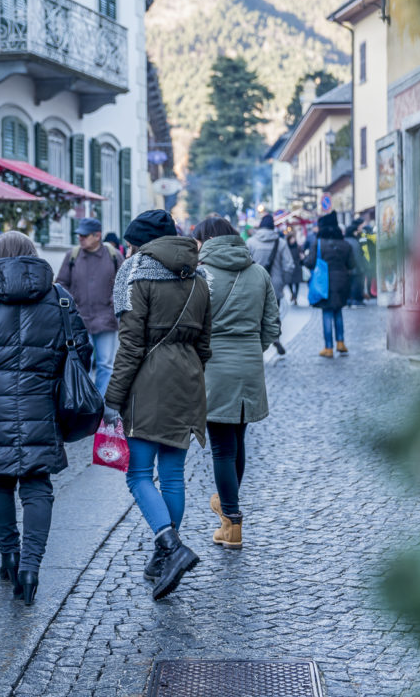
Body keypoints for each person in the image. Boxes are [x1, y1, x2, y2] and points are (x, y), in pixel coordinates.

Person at [0, 231, 92, 606]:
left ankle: (9, 555)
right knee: (37, 485)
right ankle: (30, 566)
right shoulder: (59, 297)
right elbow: (81, 352)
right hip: (40, 404)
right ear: (32, 255)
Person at [105, 209, 211, 600]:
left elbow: (130, 345)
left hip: (148, 381)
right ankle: (164, 558)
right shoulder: (199, 276)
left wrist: (112, 398)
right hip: (188, 380)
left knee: (137, 475)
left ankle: (170, 545)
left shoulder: (138, 275)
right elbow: (205, 344)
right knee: (170, 476)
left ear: (140, 243)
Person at [193, 217, 279, 550]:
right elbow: (272, 326)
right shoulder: (259, 273)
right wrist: (251, 350)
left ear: (207, 240)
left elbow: (191, 324)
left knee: (222, 448)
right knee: (239, 440)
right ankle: (228, 511)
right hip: (249, 366)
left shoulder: (202, 274)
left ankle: (231, 521)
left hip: (214, 367)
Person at [55, 217, 122, 395]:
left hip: (105, 319)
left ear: (97, 235)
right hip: (79, 320)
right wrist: (71, 306)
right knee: (81, 362)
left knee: (105, 364)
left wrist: (113, 302)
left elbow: (123, 283)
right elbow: (61, 284)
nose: (80, 238)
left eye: (84, 235)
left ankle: (100, 403)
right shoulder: (72, 256)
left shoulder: (114, 255)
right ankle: (84, 402)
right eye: (79, 235)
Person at [304, 211, 356, 357]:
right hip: (342, 282)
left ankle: (328, 348)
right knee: (338, 311)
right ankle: (341, 342)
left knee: (327, 312)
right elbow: (352, 264)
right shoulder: (345, 244)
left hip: (324, 283)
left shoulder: (319, 243)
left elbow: (309, 262)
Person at [246, 214, 294, 354]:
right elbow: (289, 265)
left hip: (255, 284)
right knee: (274, 313)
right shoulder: (281, 243)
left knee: (256, 314)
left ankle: (257, 342)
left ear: (260, 226)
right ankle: (276, 337)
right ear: (273, 227)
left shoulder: (251, 242)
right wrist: (283, 281)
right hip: (275, 284)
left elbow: (245, 263)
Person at [344, 222, 366, 306]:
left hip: (346, 268)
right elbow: (358, 256)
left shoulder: (345, 240)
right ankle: (355, 300)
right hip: (356, 267)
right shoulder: (355, 242)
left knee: (348, 285)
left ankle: (348, 300)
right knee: (356, 285)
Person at [285, 228, 302, 305]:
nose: (293, 240)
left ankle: (296, 297)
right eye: (291, 239)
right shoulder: (286, 248)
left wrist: (302, 256)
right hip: (290, 267)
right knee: (290, 282)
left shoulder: (298, 247)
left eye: (293, 239)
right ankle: (292, 294)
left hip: (297, 267)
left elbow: (301, 256)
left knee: (297, 282)